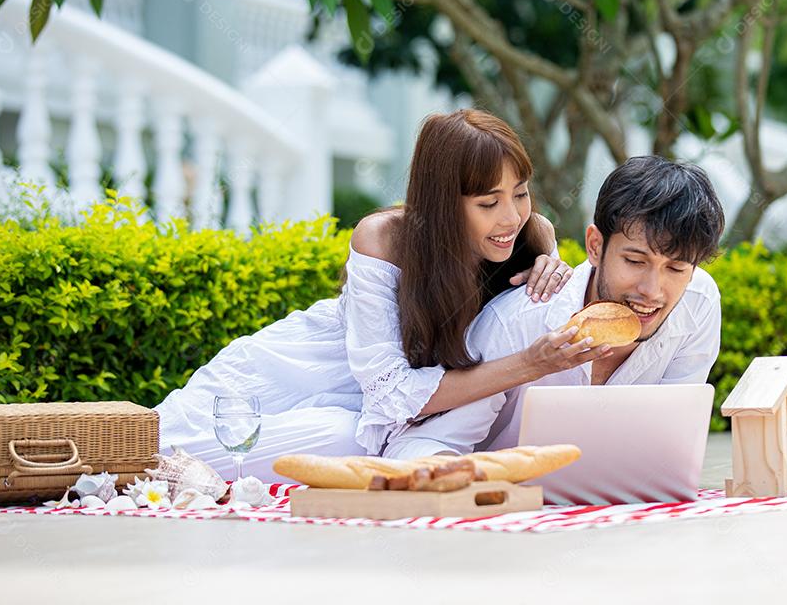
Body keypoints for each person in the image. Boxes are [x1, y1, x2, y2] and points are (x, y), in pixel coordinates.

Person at [154, 109, 611, 480]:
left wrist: (553, 274)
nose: (511, 217)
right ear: (442, 202)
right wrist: (532, 362)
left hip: (389, 421)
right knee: (164, 443)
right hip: (303, 375)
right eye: (488, 203)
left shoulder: (533, 237)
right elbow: (390, 396)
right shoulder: (383, 239)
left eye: (521, 194)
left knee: (356, 444)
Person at [383, 155, 726, 459]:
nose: (652, 291)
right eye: (635, 261)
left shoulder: (697, 303)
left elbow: (671, 445)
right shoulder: (517, 322)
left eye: (677, 268)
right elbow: (418, 445)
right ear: (595, 246)